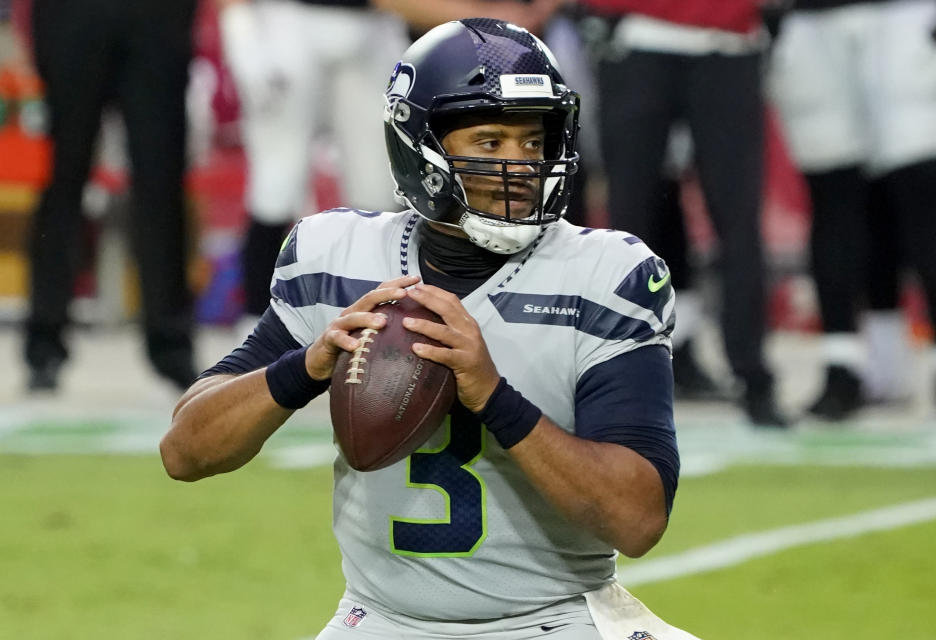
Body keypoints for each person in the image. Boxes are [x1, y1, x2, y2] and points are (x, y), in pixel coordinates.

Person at [161, 19, 699, 640]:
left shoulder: (605, 273)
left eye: (534, 141)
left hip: (558, 618)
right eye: (491, 142)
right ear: (420, 146)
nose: (520, 166)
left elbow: (637, 520)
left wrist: (493, 396)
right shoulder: (336, 255)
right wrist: (305, 366)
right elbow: (185, 451)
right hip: (381, 620)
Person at [578, 0, 790, 427]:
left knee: (737, 220)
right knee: (629, 224)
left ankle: (753, 376)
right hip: (635, 33)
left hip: (728, 37)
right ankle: (612, 378)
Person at [769, 0, 936, 419]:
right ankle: (843, 366)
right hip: (811, 20)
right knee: (834, 196)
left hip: (907, 16)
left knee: (927, 190)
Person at [23, 0, 198, 391]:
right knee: (64, 176)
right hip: (73, 14)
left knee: (162, 177)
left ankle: (172, 344)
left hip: (156, 15)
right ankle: (44, 342)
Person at [217, 0, 409, 327]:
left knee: (378, 192)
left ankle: (380, 321)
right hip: (287, 19)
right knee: (276, 182)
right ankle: (255, 324)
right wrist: (240, 26)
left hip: (374, 25)